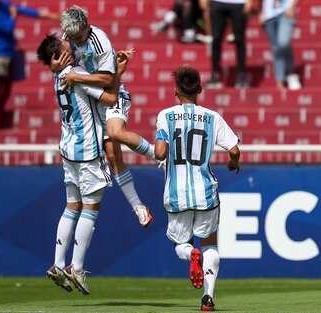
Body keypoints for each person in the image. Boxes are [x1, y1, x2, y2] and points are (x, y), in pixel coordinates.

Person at [37, 33, 130, 295]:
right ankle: (76, 267)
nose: (71, 44)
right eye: (66, 44)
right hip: (87, 151)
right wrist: (119, 72)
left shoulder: (57, 76)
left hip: (67, 148)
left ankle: (57, 264)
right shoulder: (75, 73)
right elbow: (111, 99)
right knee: (90, 209)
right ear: (59, 53)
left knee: (71, 207)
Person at [54, 5, 154, 228]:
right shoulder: (66, 37)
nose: (75, 42)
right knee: (112, 155)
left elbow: (108, 80)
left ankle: (160, 157)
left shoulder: (99, 41)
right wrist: (54, 66)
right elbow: (53, 58)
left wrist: (77, 77)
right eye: (72, 38)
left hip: (113, 93)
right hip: (93, 101)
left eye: (79, 37)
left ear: (87, 27)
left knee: (115, 134)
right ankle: (139, 206)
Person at [155, 66, 241, 311]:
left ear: (175, 90)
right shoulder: (213, 117)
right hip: (205, 192)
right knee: (211, 243)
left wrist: (160, 150)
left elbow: (160, 152)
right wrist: (233, 163)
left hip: (176, 193)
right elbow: (234, 150)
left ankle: (190, 253)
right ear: (200, 89)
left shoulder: (165, 115)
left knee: (180, 243)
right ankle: (208, 298)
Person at [0, 0, 60, 129]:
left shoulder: (2, 4)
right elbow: (7, 27)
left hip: (9, 53)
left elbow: (22, 10)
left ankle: (0, 121)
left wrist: (48, 15)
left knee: (6, 90)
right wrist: (12, 15)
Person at [204, 0, 252, 89]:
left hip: (238, 3)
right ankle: (215, 75)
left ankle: (241, 75)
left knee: (239, 39)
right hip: (217, 2)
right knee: (216, 38)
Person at [260, 0, 301, 90]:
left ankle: (291, 73)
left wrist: (293, 5)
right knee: (276, 49)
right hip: (268, 14)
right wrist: (260, 11)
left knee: (283, 43)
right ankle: (280, 80)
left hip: (285, 9)